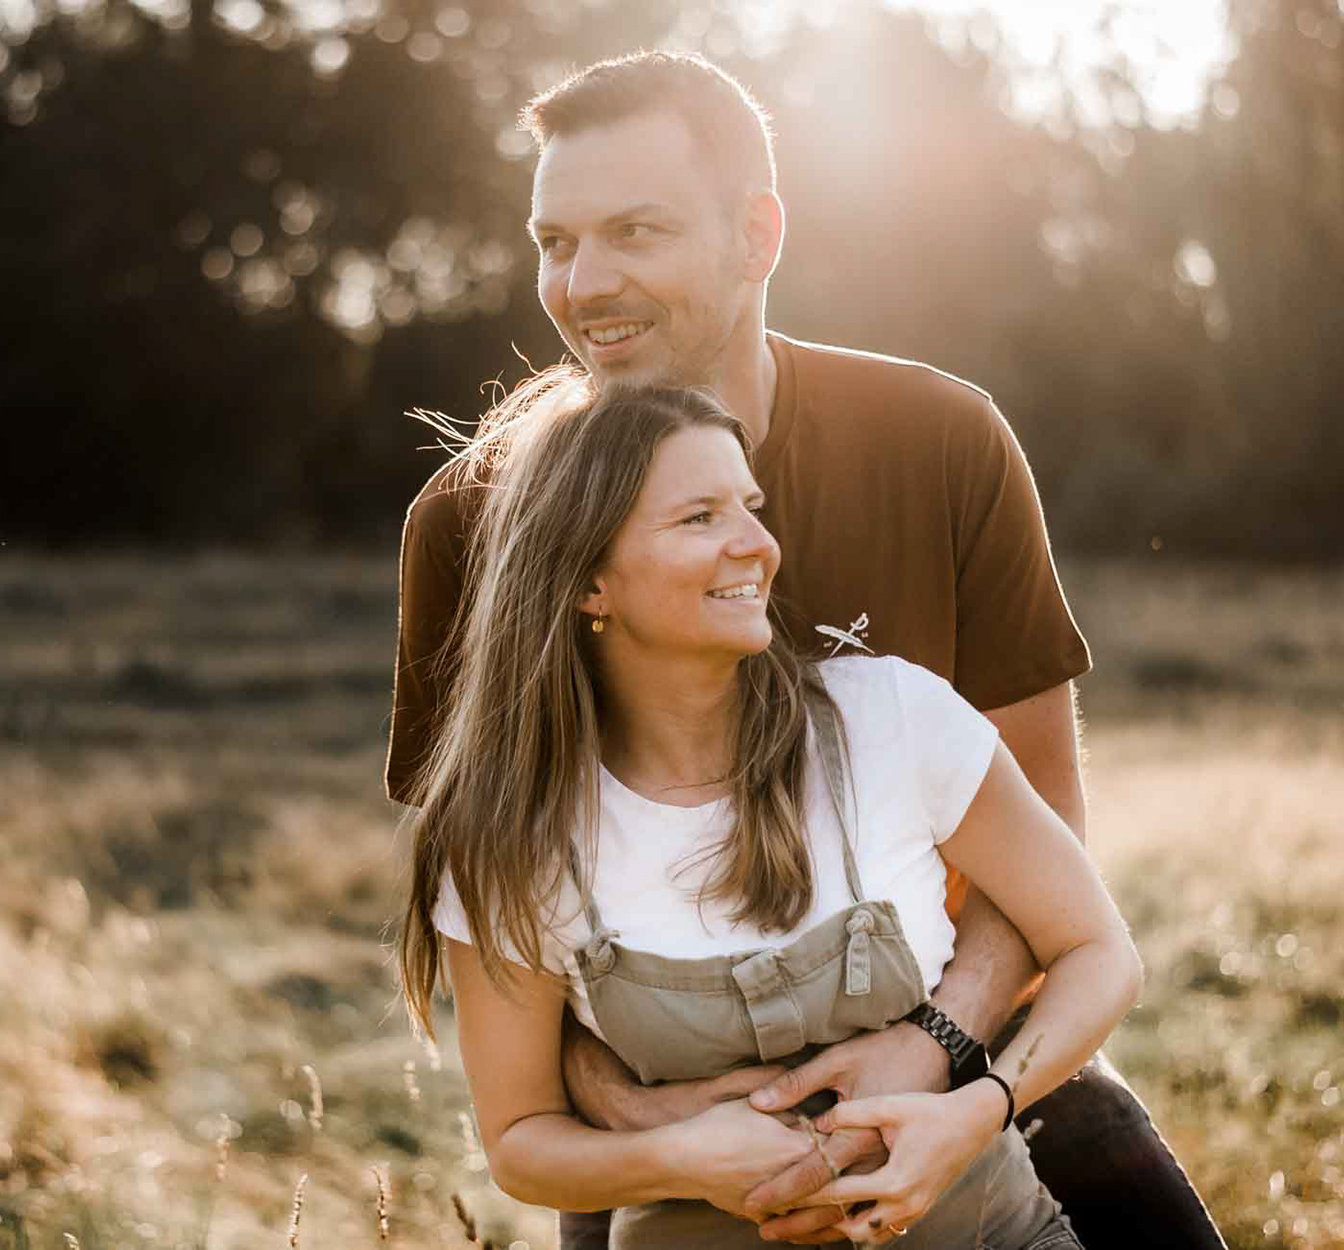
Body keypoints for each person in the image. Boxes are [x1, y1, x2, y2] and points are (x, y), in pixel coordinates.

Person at [386, 51, 1228, 1249]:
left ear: (757, 234)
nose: (582, 283)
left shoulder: (941, 442)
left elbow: (1046, 817)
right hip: (670, 1139)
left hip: (970, 1060)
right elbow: (492, 904)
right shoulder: (470, 523)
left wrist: (935, 1046)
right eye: (555, 241)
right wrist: (652, 1113)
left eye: (635, 231)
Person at [398, 378, 1143, 1249]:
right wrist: (680, 1159)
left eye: (750, 509)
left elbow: (1100, 951)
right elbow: (520, 1143)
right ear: (590, 582)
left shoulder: (891, 719)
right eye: (700, 518)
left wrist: (976, 1111)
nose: (758, 545)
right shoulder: (514, 840)